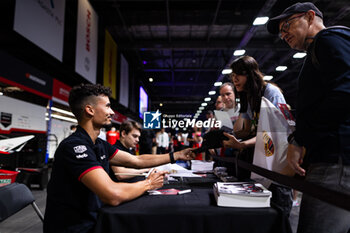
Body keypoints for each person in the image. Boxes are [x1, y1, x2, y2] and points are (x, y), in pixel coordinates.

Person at [44, 83, 195, 233]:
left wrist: (176, 155)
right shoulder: (75, 147)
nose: (111, 112)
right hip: (76, 228)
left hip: (95, 219)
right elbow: (112, 194)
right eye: (108, 106)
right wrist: (149, 184)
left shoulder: (99, 143)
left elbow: (137, 161)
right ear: (90, 110)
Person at [267, 2, 350, 232]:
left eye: (287, 25)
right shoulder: (322, 48)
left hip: (336, 163)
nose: (283, 34)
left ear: (310, 17)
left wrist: (300, 139)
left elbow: (345, 91)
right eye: (281, 31)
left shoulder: (328, 40)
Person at [222, 55, 292, 216]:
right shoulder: (249, 97)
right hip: (261, 160)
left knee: (278, 210)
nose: (235, 80)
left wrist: (243, 144)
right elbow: (243, 130)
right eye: (232, 76)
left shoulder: (271, 92)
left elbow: (275, 133)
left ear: (249, 74)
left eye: (238, 75)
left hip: (276, 162)